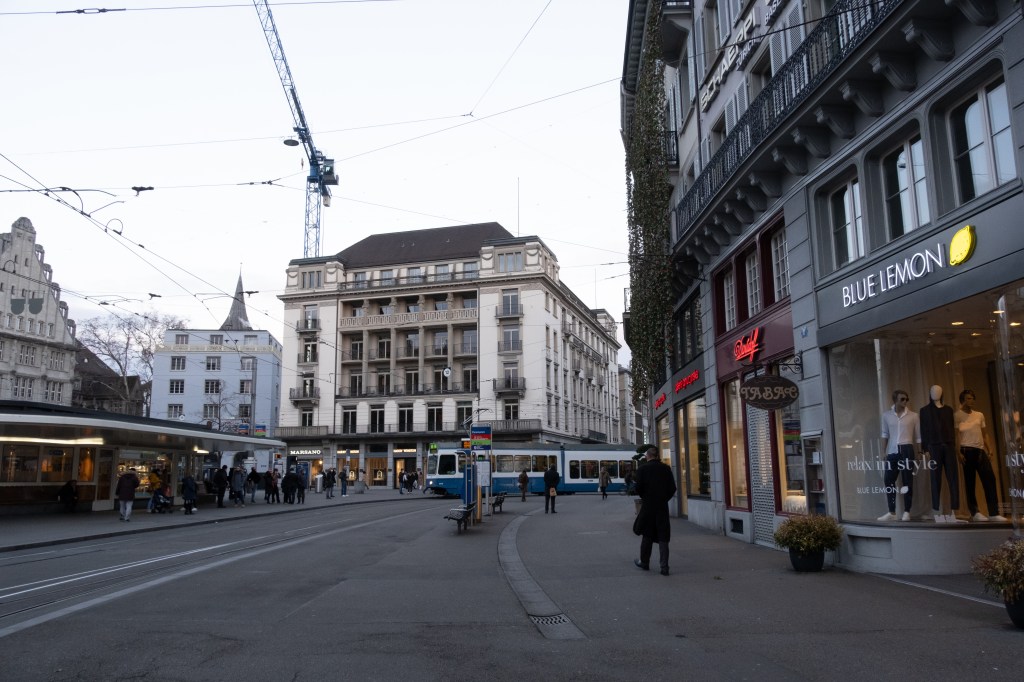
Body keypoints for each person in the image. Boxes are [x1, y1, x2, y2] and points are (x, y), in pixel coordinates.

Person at [955, 389, 1007, 522]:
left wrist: (990, 449)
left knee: (990, 479)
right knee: (970, 482)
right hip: (966, 450)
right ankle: (975, 512)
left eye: (972, 398)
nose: (971, 401)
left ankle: (993, 512)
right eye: (968, 398)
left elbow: (985, 434)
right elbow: (956, 436)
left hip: (980, 450)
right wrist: (958, 452)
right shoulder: (957, 416)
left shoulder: (979, 415)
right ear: (962, 400)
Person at [633, 444, 677, 576]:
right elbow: (672, 488)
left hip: (648, 506)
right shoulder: (666, 468)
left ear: (647, 456)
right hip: (662, 507)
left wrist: (646, 497)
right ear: (657, 456)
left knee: (647, 534)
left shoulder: (643, 469)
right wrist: (663, 499)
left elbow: (638, 488)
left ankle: (644, 562)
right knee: (664, 536)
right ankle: (664, 567)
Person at [878, 389, 920, 522]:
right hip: (892, 451)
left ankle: (907, 511)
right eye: (902, 399)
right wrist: (883, 451)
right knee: (888, 480)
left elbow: (918, 436)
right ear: (895, 400)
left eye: (907, 399)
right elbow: (885, 434)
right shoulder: (886, 415)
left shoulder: (913, 416)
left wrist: (919, 451)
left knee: (907, 480)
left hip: (907, 448)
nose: (905, 401)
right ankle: (892, 511)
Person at [920, 385, 959, 521]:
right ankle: (935, 509)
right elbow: (923, 430)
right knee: (935, 479)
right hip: (934, 447)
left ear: (942, 393)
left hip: (948, 446)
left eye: (938, 391)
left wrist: (953, 445)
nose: (935, 393)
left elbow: (952, 430)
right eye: (932, 391)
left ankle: (954, 510)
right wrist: (925, 449)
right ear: (929, 393)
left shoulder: (948, 410)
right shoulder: (924, 411)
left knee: (953, 478)